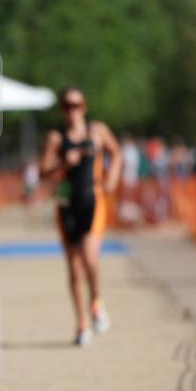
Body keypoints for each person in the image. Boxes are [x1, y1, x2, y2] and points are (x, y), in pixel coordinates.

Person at [39, 87, 122, 346]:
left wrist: (113, 179)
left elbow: (116, 153)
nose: (72, 110)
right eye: (67, 105)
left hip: (92, 199)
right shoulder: (56, 138)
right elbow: (43, 172)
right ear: (63, 110)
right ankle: (82, 324)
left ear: (84, 107)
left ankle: (96, 299)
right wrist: (64, 162)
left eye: (76, 104)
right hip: (66, 204)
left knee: (89, 256)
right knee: (73, 267)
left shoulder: (97, 131)